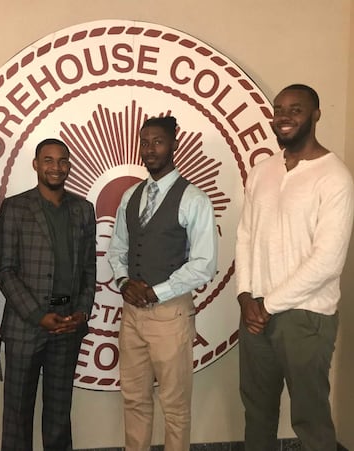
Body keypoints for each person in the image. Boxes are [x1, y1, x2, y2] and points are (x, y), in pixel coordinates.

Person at [235, 84, 354, 451]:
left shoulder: (334, 177)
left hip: (305, 316)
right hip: (255, 310)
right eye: (279, 109)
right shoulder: (262, 171)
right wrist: (244, 296)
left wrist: (267, 305)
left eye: (296, 109)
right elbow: (245, 235)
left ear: (316, 115)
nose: (284, 117)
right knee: (257, 414)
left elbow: (327, 261)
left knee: (310, 418)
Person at [107, 116, 218, 450]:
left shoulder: (194, 199)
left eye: (157, 141)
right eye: (144, 141)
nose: (150, 149)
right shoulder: (130, 196)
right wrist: (125, 282)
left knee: (175, 406)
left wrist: (156, 291)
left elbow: (204, 265)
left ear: (174, 145)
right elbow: (117, 249)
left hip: (171, 313)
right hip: (132, 316)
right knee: (134, 400)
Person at [0, 138, 96, 451]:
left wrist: (81, 313)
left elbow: (89, 270)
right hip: (27, 326)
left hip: (67, 326)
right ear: (36, 164)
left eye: (62, 160)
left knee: (58, 414)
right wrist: (39, 316)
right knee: (17, 414)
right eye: (48, 160)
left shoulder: (83, 209)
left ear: (69, 165)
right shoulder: (15, 208)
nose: (56, 167)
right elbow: (3, 271)